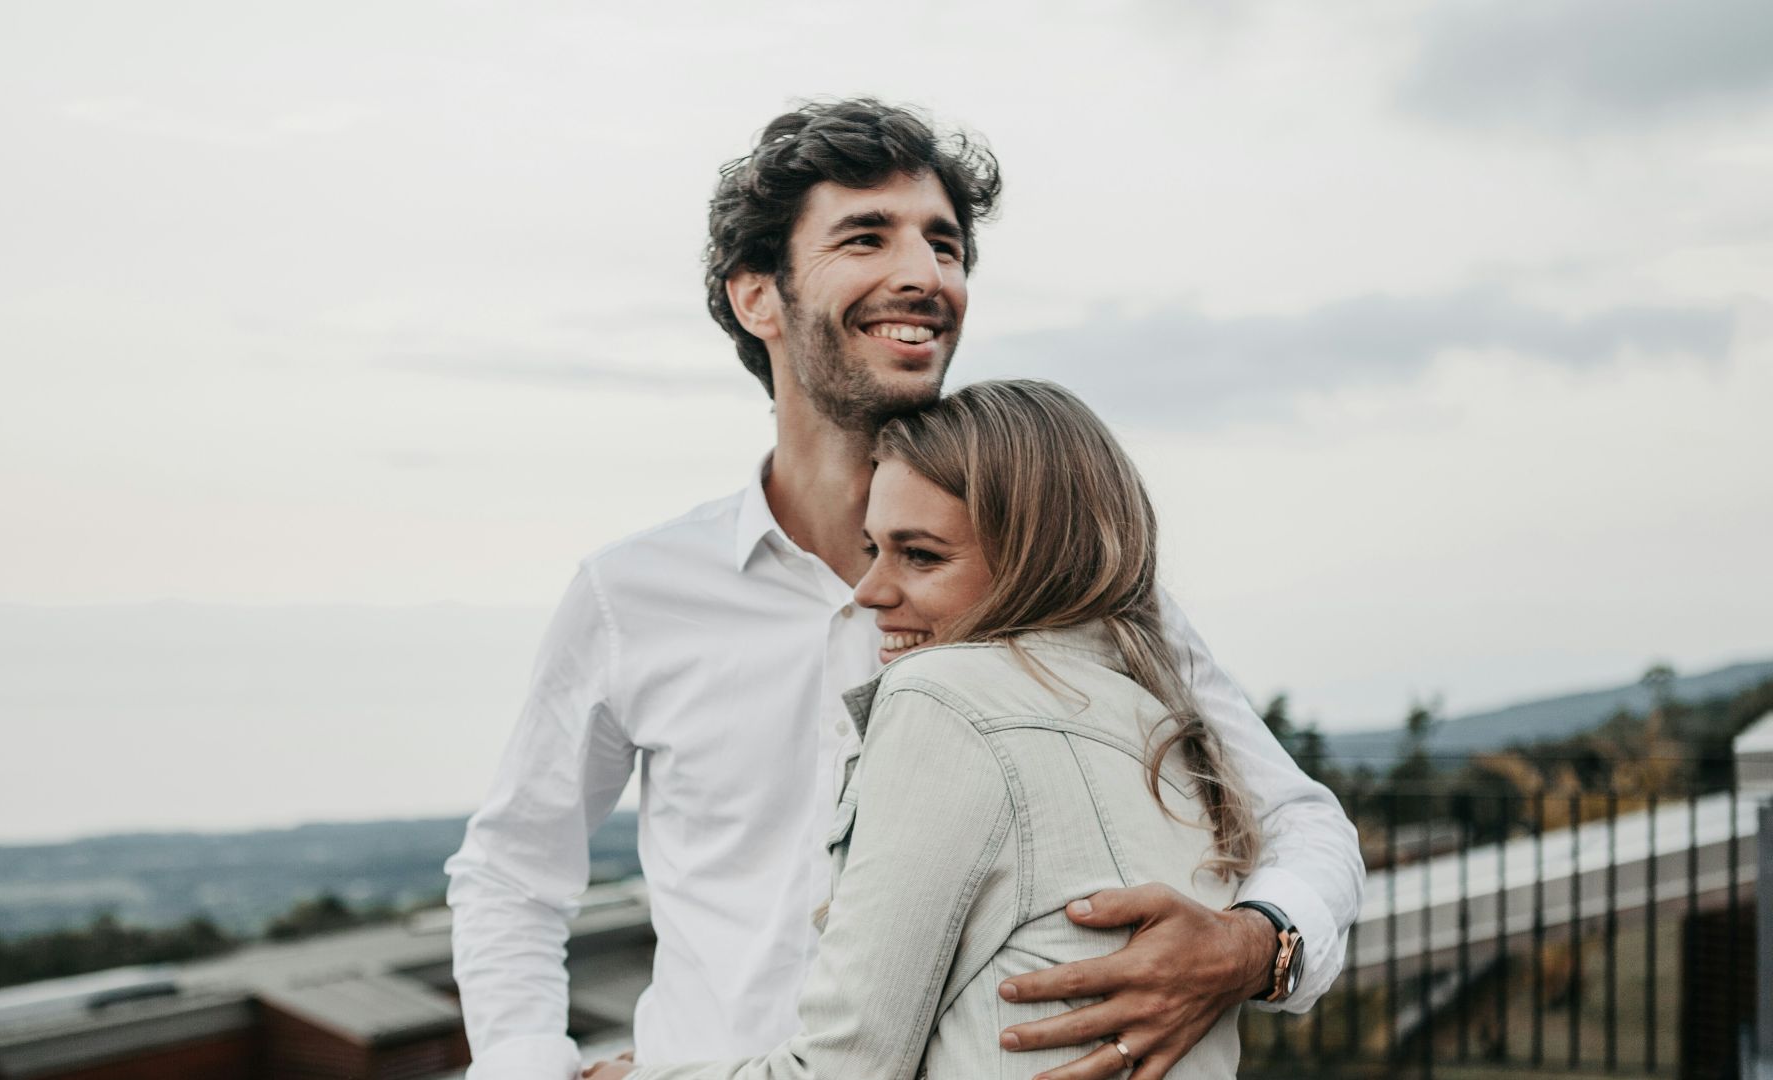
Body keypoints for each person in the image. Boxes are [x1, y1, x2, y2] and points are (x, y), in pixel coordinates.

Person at [445, 99, 1363, 1080]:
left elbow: (1300, 823)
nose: (926, 275)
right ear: (759, 296)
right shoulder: (635, 593)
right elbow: (512, 874)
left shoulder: (1061, 581)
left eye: (947, 245)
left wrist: (1254, 946)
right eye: (866, 237)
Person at [591, 378, 1262, 1080]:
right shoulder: (1165, 721)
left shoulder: (942, 698)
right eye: (872, 549)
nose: (870, 593)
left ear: (1036, 556)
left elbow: (841, 1072)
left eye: (921, 556)